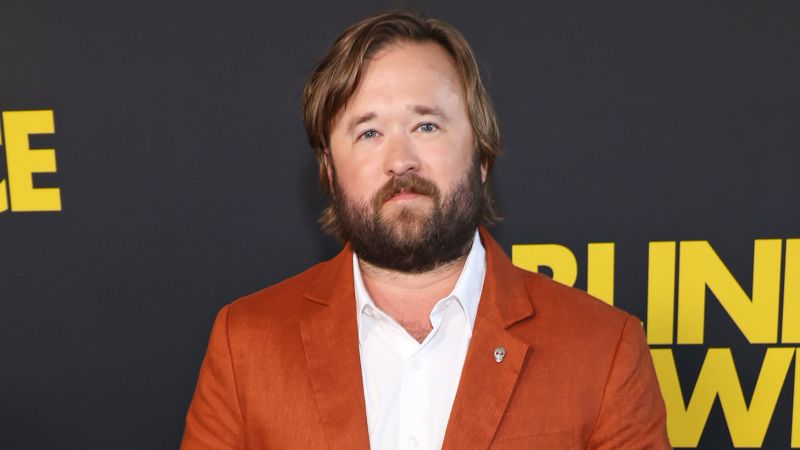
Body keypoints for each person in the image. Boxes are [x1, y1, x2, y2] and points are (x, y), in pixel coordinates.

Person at [181, 9, 670, 450]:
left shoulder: (603, 349)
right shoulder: (246, 343)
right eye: (369, 133)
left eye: (426, 126)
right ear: (329, 170)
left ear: (481, 153)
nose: (400, 160)